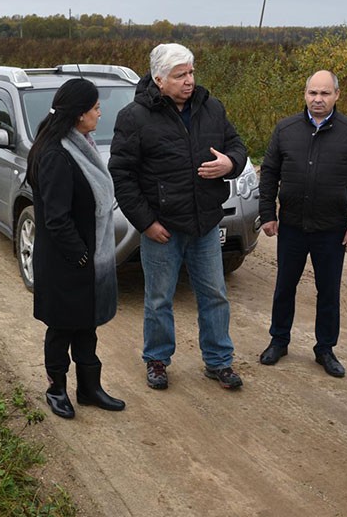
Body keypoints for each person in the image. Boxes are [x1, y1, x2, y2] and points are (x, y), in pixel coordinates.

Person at [109, 43, 247, 390]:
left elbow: (238, 147)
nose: (189, 81)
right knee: (159, 299)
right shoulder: (134, 117)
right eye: (180, 75)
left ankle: (219, 362)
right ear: (159, 79)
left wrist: (230, 163)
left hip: (205, 224)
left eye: (191, 72)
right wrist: (146, 223)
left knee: (215, 295)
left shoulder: (211, 108)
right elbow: (122, 176)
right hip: (162, 229)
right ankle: (156, 359)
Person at [257, 70, 347, 378]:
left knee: (328, 291)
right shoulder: (286, 129)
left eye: (324, 94)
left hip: (332, 229)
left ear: (336, 95)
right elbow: (269, 172)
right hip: (292, 226)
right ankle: (278, 340)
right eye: (312, 93)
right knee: (284, 286)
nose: (317, 99)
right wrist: (268, 213)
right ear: (305, 94)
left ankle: (325, 349)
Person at [27, 77, 125, 419]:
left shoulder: (82, 143)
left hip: (85, 259)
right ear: (79, 114)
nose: (101, 112)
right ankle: (57, 390)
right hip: (64, 262)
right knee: (61, 329)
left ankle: (89, 389)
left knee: (86, 326)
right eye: (96, 107)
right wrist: (81, 254)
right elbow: (56, 218)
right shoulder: (56, 154)